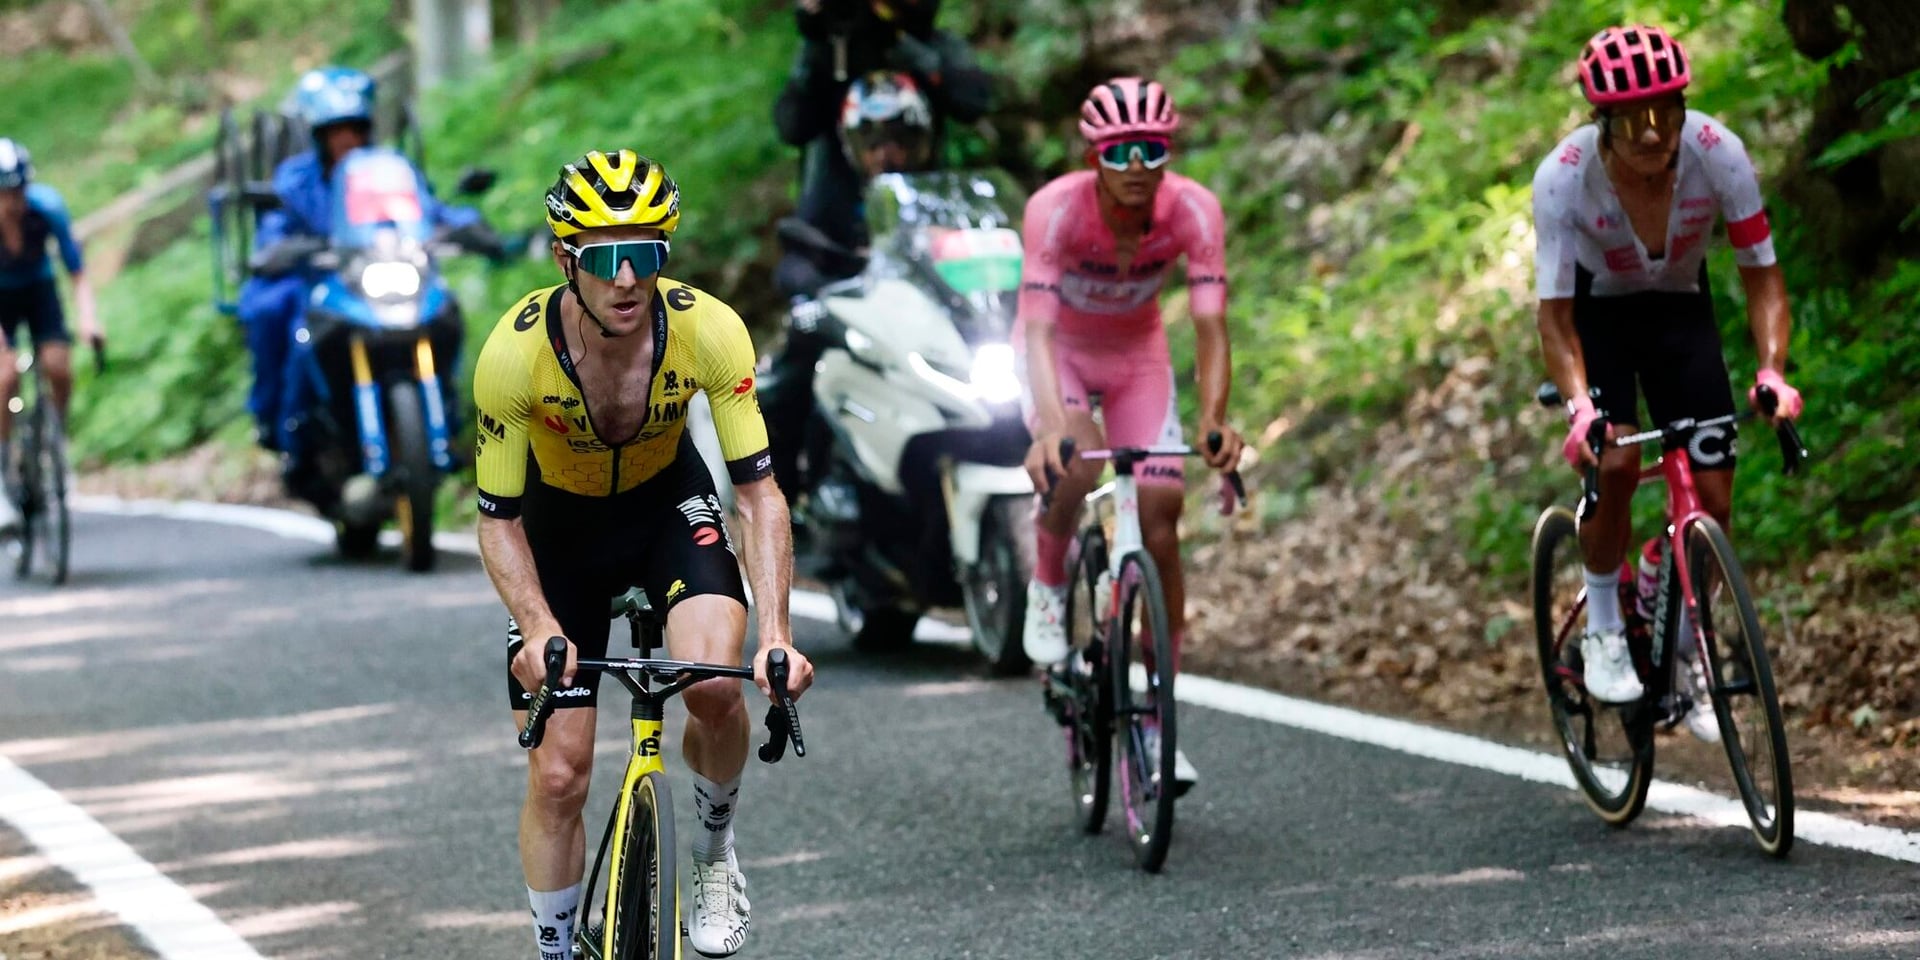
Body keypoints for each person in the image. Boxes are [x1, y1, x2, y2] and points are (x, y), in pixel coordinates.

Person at [474, 148, 815, 960]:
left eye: (647, 255)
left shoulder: (709, 330)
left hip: (667, 505)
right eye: (604, 258)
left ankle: (714, 850)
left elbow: (759, 495)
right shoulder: (513, 356)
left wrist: (777, 633)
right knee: (560, 773)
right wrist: (532, 626)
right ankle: (557, 948)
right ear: (566, 261)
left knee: (716, 688)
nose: (628, 279)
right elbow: (497, 518)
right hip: (558, 529)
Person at [1531, 25, 1803, 741]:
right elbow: (1555, 321)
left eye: (1666, 115)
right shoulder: (1563, 176)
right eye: (1631, 122)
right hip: (1599, 316)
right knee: (1618, 460)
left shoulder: (1720, 156)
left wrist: (1772, 368)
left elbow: (1763, 278)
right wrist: (1582, 407)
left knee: (1713, 497)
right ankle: (1604, 626)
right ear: (1602, 125)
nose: (1653, 136)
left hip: (1681, 308)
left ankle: (1673, 619)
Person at [1018, 78, 1244, 793]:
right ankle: (1050, 583)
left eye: (1154, 150)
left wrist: (1213, 419)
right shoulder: (1055, 211)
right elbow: (1039, 331)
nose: (1139, 165)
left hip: (1139, 356)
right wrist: (1052, 426)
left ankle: (1157, 715)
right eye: (1121, 153)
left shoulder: (1194, 211)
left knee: (1162, 517)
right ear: (1095, 156)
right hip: (1064, 357)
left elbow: (1211, 326)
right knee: (1075, 464)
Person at [237, 65, 489, 456]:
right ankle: (290, 430)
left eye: (353, 129)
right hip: (327, 280)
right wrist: (280, 247)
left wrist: (470, 227)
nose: (346, 140)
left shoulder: (387, 170)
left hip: (390, 274)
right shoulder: (296, 180)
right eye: (336, 132)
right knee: (279, 317)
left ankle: (449, 418)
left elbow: (428, 208)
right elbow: (277, 225)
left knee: (446, 313)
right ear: (318, 137)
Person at [760, 71, 936, 495]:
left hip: (921, 324)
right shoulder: (832, 194)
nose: (885, 154)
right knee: (787, 382)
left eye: (898, 139)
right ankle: (780, 495)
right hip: (847, 315)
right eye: (872, 142)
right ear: (852, 145)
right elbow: (799, 252)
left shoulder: (937, 196)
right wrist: (814, 292)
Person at [772, 0, 990, 296]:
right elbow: (792, 126)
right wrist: (817, 42)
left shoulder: (930, 46)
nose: (883, 150)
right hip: (836, 235)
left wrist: (899, 39)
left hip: (925, 226)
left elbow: (972, 100)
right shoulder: (830, 52)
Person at [0, 138, 100, 537]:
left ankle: (54, 442)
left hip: (38, 289)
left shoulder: (47, 208)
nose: (14, 200)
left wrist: (89, 319)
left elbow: (77, 271)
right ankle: (3, 466)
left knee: (58, 365)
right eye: (5, 192)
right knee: (4, 377)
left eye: (19, 190)